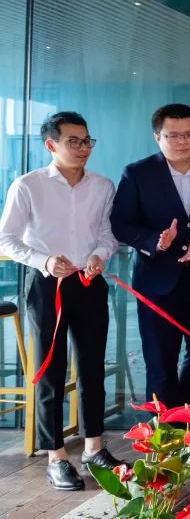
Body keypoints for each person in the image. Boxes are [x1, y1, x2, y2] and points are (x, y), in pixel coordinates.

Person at [0, 112, 124, 490]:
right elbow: (6, 239)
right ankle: (55, 455)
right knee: (51, 371)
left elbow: (108, 234)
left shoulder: (102, 186)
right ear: (50, 144)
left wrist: (100, 254)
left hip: (89, 282)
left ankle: (94, 447)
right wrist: (44, 260)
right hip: (46, 286)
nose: (83, 148)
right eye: (74, 141)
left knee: (92, 367)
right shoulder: (28, 185)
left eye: (87, 141)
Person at [111, 104, 190, 411]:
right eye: (173, 136)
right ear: (157, 137)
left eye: (189, 134)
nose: (182, 141)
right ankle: (162, 433)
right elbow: (120, 223)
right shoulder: (137, 173)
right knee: (160, 362)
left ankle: (188, 427)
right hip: (157, 281)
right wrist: (154, 241)